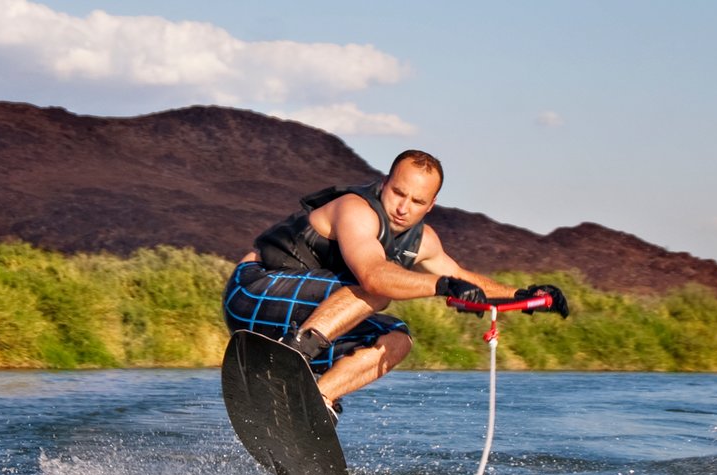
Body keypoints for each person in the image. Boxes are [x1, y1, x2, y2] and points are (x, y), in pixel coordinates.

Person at [222, 149, 568, 423]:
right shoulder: (356, 209)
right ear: (385, 183)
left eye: (417, 202)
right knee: (381, 288)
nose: (403, 208)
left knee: (398, 339)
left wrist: (526, 295)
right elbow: (374, 276)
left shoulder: (423, 240)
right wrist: (442, 285)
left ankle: (314, 400)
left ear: (431, 205)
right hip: (255, 292)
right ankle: (293, 357)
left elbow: (462, 277)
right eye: (398, 193)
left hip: (300, 316)